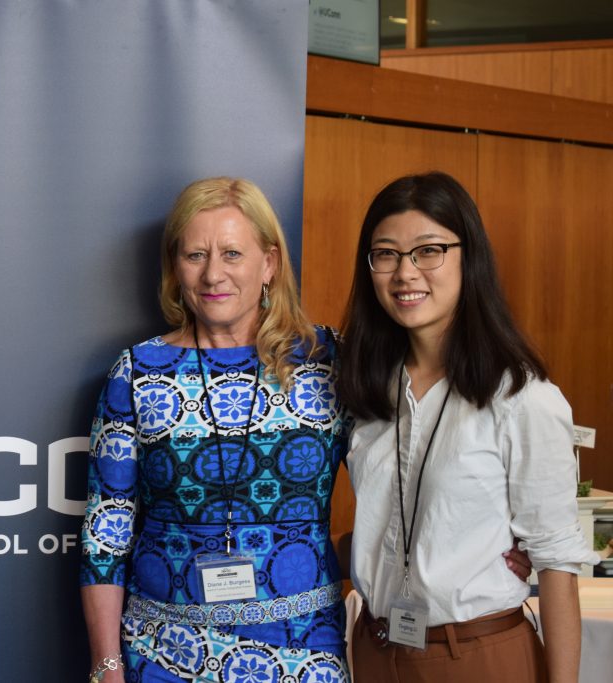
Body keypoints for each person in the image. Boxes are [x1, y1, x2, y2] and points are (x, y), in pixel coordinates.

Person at [80, 177, 351, 682]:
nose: (213, 274)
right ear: (174, 266)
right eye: (195, 255)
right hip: (164, 654)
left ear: (269, 263)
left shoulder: (326, 360)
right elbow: (105, 534)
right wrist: (107, 664)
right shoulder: (138, 372)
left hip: (304, 654)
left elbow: (397, 477)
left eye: (232, 253)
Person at [338, 171, 598, 682]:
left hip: (476, 657)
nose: (405, 273)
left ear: (468, 258)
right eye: (386, 254)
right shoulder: (363, 389)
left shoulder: (523, 399)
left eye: (429, 251)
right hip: (374, 648)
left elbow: (557, 570)